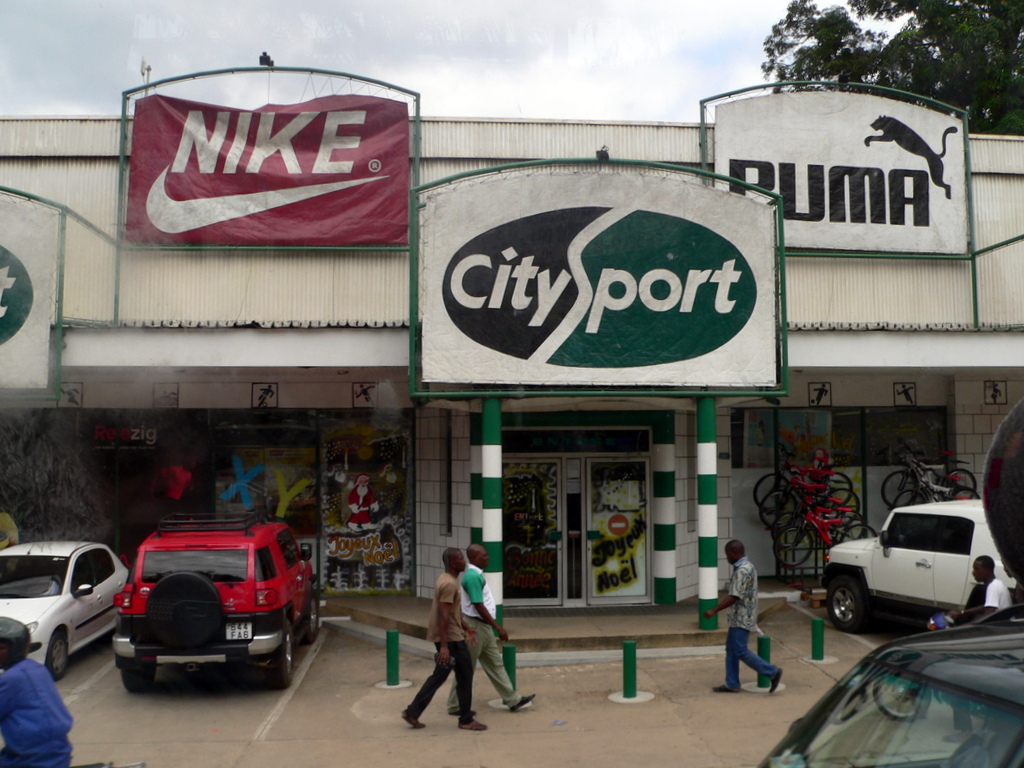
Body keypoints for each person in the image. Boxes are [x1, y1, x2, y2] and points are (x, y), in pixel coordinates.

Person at [402, 548, 487, 731]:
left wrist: (467, 628)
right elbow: (444, 615)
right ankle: (465, 719)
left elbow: (453, 613)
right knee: (465, 676)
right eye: (461, 559)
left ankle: (412, 712)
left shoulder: (446, 579)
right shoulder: (449, 584)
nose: (464, 561)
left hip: (452, 636)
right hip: (451, 640)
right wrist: (444, 647)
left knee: (440, 676)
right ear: (453, 563)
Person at [445, 544, 535, 715]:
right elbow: (478, 606)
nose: (487, 558)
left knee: (495, 664)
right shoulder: (472, 577)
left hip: (482, 627)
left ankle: (513, 699)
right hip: (476, 627)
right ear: (474, 557)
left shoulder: (475, 575)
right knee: (466, 668)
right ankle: (454, 705)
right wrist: (498, 627)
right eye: (484, 555)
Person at [703, 539, 783, 693]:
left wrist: (714, 610)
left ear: (735, 552)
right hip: (740, 616)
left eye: (728, 555)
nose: (727, 558)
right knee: (731, 649)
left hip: (742, 617)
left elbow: (734, 596)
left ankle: (771, 671)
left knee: (740, 650)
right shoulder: (748, 566)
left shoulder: (742, 570)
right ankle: (732, 683)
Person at [0, 618, 74, 768]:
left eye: (1, 648)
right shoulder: (35, 668)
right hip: (54, 752)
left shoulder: (12, 678)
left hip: (34, 759)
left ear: (15, 649)